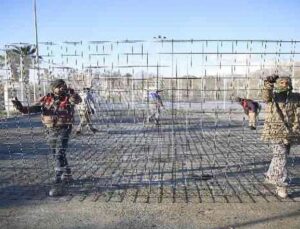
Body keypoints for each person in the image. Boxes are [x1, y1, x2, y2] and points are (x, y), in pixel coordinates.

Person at [11, 79, 82, 197]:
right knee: (57, 154)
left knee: (59, 153)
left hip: (64, 128)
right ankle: (68, 174)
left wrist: (72, 93)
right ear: (53, 88)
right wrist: (20, 107)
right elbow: (32, 109)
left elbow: (77, 100)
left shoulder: (67, 97)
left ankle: (57, 184)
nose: (61, 88)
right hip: (50, 130)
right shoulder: (46, 99)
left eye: (63, 86)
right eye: (58, 87)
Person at [262, 74, 300, 198]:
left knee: (279, 156)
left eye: (287, 83)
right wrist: (268, 84)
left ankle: (270, 175)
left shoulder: (295, 97)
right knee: (281, 156)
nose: (285, 85)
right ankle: (281, 184)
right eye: (282, 82)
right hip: (275, 131)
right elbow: (265, 96)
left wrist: (296, 129)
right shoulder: (273, 97)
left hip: (290, 132)